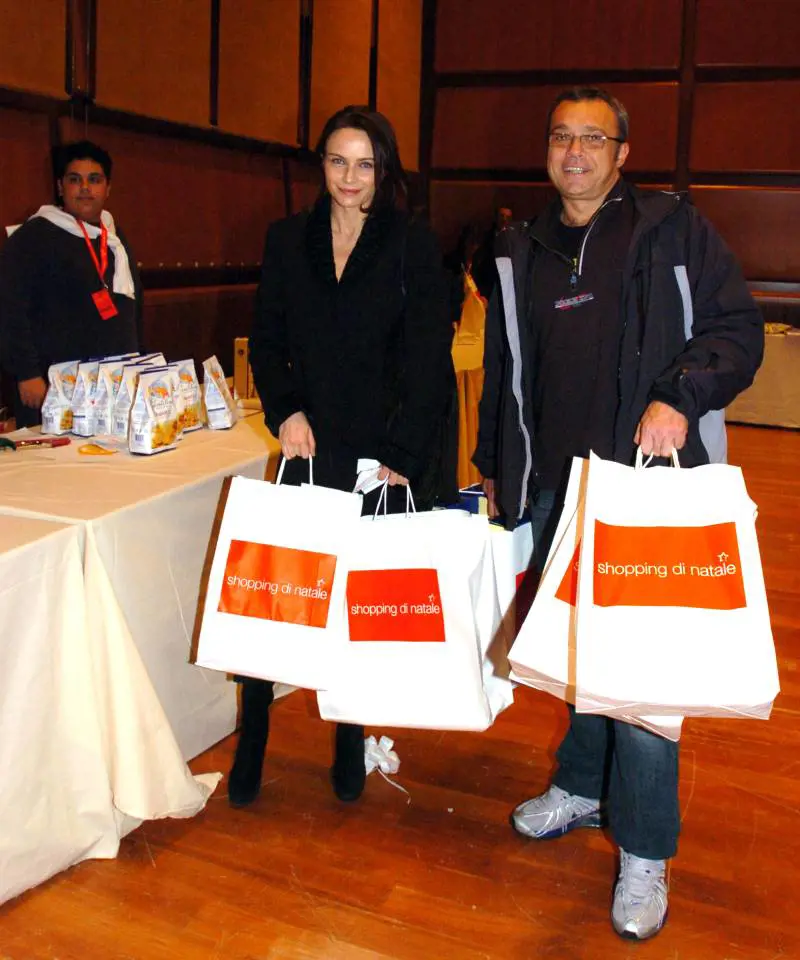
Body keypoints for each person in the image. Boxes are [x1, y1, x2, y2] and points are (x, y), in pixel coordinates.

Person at [473, 87, 763, 940]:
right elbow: (505, 371)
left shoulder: (672, 231)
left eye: (592, 138)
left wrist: (679, 394)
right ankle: (583, 784)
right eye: (561, 136)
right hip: (559, 487)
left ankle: (644, 851)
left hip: (648, 491)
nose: (574, 152)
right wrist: (499, 467)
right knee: (576, 650)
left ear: (622, 153)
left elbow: (736, 329)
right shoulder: (516, 246)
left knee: (641, 681)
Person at [233, 106, 453, 808]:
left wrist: (400, 454)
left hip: (374, 453)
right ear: (320, 165)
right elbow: (266, 342)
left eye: (364, 163)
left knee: (354, 604)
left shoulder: (412, 245)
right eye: (337, 161)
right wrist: (286, 409)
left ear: (382, 170)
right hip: (305, 442)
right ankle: (253, 740)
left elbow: (427, 362)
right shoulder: (286, 239)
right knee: (275, 601)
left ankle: (348, 736)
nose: (350, 177)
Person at [0, 140, 143, 427]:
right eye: (75, 180)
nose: (85, 188)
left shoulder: (114, 237)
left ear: (108, 188)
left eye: (95, 180)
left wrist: (136, 366)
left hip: (110, 386)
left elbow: (132, 309)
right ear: (60, 187)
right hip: (53, 387)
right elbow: (9, 307)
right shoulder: (34, 235)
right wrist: (26, 373)